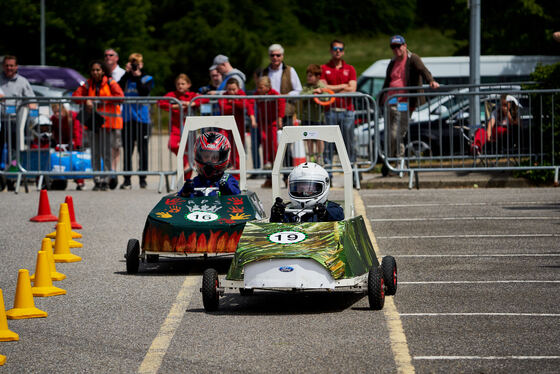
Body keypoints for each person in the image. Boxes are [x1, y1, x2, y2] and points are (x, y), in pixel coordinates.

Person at [380, 35, 440, 161]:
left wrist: (431, 81)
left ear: (405, 46)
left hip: (404, 102)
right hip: (390, 102)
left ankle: (392, 161)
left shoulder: (412, 58)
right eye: (393, 47)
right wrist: (381, 99)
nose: (396, 49)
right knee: (391, 135)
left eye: (398, 46)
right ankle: (397, 162)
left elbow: (423, 70)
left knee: (396, 134)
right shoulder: (393, 62)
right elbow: (388, 80)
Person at [72, 60, 124, 191]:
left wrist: (99, 101)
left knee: (106, 153)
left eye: (98, 70)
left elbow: (120, 97)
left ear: (103, 71)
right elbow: (75, 96)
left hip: (107, 124)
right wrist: (86, 100)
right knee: (95, 153)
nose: (95, 72)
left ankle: (106, 179)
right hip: (92, 123)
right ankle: (97, 180)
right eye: (93, 70)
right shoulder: (88, 83)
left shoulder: (111, 82)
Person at [261, 44, 303, 185]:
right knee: (270, 146)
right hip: (269, 114)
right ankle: (270, 178)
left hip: (286, 112)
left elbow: (298, 89)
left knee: (286, 146)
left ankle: (287, 177)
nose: (275, 58)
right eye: (272, 55)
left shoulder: (290, 70)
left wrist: (284, 96)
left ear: (282, 56)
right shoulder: (264, 72)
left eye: (278, 55)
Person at [320, 40, 358, 171]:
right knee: (329, 144)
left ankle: (352, 171)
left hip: (347, 111)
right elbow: (323, 88)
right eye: (335, 48)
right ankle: (328, 173)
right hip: (330, 110)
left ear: (343, 52)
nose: (338, 51)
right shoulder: (324, 68)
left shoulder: (350, 69)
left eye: (340, 49)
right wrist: (343, 86)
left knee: (349, 144)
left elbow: (352, 89)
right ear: (331, 51)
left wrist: (332, 90)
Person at [118, 53, 154, 189]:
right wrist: (127, 74)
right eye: (132, 63)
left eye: (137, 63)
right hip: (127, 119)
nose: (135, 66)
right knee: (127, 150)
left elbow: (144, 92)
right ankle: (127, 179)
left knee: (142, 150)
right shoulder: (126, 78)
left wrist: (137, 76)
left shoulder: (147, 77)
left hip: (142, 120)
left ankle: (142, 179)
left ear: (141, 64)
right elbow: (117, 89)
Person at [269, 162, 344, 223]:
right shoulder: (287, 210)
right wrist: (276, 216)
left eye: (309, 189)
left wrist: (324, 214)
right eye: (299, 188)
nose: (303, 192)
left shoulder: (332, 208)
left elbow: (338, 215)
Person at [158, 74, 199, 179]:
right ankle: (186, 161)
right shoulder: (172, 95)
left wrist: (192, 103)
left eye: (183, 84)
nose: (180, 86)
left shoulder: (192, 95)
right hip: (175, 128)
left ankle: (187, 181)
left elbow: (204, 99)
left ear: (188, 85)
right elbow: (160, 103)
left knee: (190, 150)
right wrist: (173, 106)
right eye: (178, 84)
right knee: (172, 145)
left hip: (190, 128)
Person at [178, 131, 240, 197]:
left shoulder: (228, 180)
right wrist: (185, 193)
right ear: (199, 156)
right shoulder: (195, 182)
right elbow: (180, 201)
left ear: (222, 158)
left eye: (214, 157)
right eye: (206, 156)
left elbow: (238, 196)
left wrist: (227, 190)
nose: (209, 160)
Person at [0, 55, 36, 162]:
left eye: (11, 65)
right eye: (7, 65)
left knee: (15, 149)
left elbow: (32, 100)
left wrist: (31, 106)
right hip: (1, 121)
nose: (9, 68)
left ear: (16, 67)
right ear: (3, 66)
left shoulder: (23, 81)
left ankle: (14, 171)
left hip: (15, 121)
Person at [219, 78, 256, 178]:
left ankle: (238, 173)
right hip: (226, 124)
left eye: (234, 89)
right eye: (229, 89)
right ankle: (226, 166)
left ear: (238, 88)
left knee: (238, 147)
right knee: (224, 143)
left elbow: (245, 105)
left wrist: (233, 102)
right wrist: (236, 102)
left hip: (238, 124)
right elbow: (224, 108)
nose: (231, 92)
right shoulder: (224, 96)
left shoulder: (241, 94)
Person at [255, 76, 285, 188]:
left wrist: (280, 117)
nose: (259, 89)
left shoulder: (274, 93)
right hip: (263, 121)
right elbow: (249, 100)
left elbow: (281, 102)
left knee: (273, 142)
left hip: (272, 121)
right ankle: (267, 162)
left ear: (268, 87)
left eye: (261, 87)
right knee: (264, 140)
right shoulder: (258, 94)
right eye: (258, 87)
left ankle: (274, 162)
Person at [50, 103, 85, 190]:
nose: (57, 114)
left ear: (64, 109)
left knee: (75, 161)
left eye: (59, 111)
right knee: (60, 161)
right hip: (62, 142)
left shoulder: (73, 116)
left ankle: (80, 181)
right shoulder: (54, 119)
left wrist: (76, 144)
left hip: (73, 141)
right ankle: (60, 180)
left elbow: (77, 131)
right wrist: (59, 144)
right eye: (55, 112)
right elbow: (55, 132)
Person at [299, 64, 327, 164]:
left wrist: (320, 94)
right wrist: (313, 92)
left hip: (318, 118)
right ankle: (311, 156)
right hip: (307, 117)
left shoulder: (322, 86)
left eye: (311, 76)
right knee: (308, 138)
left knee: (319, 138)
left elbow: (327, 98)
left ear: (318, 76)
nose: (308, 78)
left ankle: (319, 156)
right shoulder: (306, 87)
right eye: (308, 75)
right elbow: (302, 96)